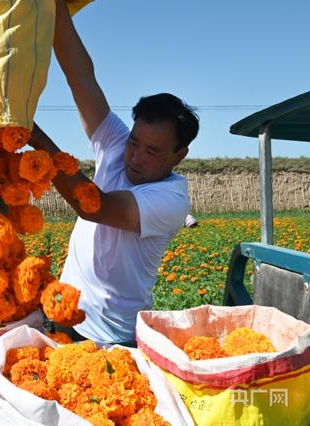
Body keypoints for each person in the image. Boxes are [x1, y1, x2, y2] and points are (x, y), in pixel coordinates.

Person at [29, 0, 199, 346]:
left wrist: (32, 133)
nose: (135, 157)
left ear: (179, 155)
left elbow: (94, 207)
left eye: (152, 151)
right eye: (135, 142)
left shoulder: (171, 200)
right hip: (63, 312)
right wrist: (54, 7)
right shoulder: (118, 144)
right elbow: (81, 78)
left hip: (110, 338)